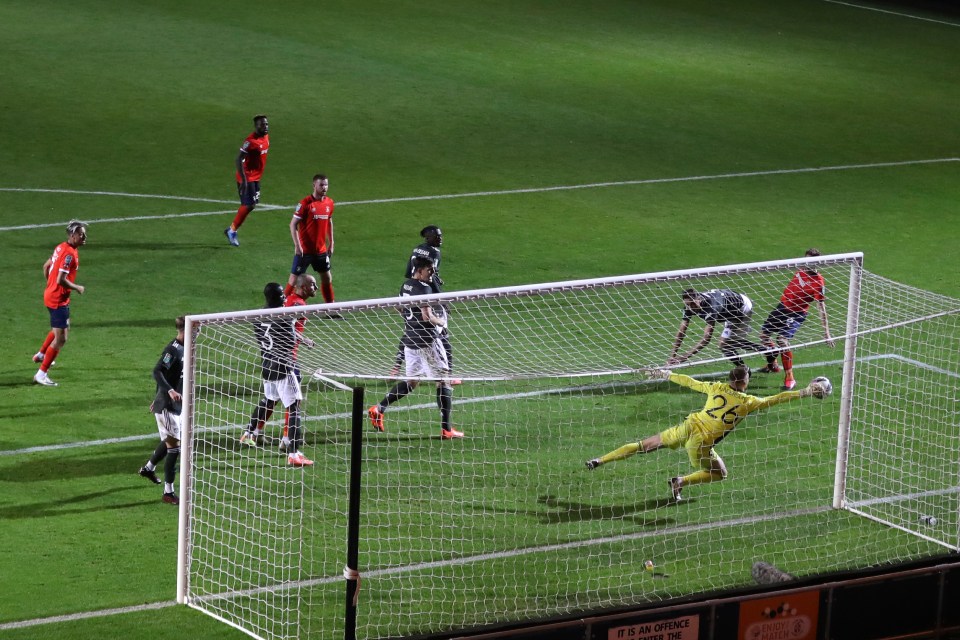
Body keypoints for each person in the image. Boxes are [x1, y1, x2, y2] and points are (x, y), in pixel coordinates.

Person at [585, 367, 823, 500]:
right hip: (700, 443)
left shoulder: (716, 387)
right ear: (745, 381)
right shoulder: (750, 402)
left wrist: (667, 374)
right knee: (720, 473)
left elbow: (690, 382)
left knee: (643, 445)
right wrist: (805, 392)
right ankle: (681, 481)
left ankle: (599, 459)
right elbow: (776, 399)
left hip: (688, 425)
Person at [369, 257, 463, 439]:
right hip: (428, 341)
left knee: (412, 382)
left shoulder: (406, 286)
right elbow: (427, 316)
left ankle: (378, 408)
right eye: (430, 270)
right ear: (419, 270)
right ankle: (447, 429)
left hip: (410, 342)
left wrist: (410, 322)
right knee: (444, 380)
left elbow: (398, 307)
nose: (432, 274)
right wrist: (441, 321)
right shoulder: (424, 288)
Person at [239, 283, 313, 466]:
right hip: (283, 367)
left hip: (266, 365)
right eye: (281, 295)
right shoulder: (284, 317)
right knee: (294, 405)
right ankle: (294, 453)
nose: (284, 298)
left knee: (268, 400)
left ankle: (249, 433)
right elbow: (289, 343)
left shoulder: (257, 317)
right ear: (275, 297)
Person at [757, 249, 836, 390]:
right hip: (781, 307)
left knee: (782, 340)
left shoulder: (818, 282)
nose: (805, 263)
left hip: (797, 314)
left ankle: (790, 378)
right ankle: (773, 364)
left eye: (809, 261)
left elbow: (821, 308)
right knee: (763, 337)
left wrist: (827, 333)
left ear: (816, 262)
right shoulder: (800, 269)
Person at [390, 226, 459, 383]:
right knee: (443, 334)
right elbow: (431, 275)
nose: (440, 239)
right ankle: (449, 375)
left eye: (441, 236)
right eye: (437, 236)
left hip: (412, 288)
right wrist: (440, 298)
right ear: (428, 237)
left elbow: (410, 272)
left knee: (410, 330)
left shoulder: (417, 249)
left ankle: (395, 367)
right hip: (428, 296)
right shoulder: (434, 253)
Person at [33, 220, 88, 386]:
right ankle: (41, 374)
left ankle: (41, 354)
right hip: (58, 299)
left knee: (61, 328)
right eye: (81, 234)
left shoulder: (60, 247)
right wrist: (77, 287)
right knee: (61, 338)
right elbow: (61, 279)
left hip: (52, 295)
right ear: (72, 235)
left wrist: (50, 285)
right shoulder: (70, 254)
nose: (84, 236)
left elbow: (46, 265)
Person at [138, 316, 185, 505]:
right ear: (185, 330)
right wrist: (169, 392)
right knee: (175, 448)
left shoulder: (185, 348)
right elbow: (157, 371)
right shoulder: (172, 350)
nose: (198, 334)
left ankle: (149, 468)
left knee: (169, 443)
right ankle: (168, 492)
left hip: (174, 405)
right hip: (167, 406)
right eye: (195, 330)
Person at [668, 288, 767, 368]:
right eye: (687, 304)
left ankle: (761, 355)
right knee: (728, 344)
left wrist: (684, 357)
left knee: (724, 345)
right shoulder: (689, 307)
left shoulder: (711, 307)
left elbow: (706, 339)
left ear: (699, 299)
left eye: (693, 304)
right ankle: (766, 351)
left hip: (741, 308)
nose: (690, 307)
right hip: (728, 309)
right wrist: (672, 356)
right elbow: (681, 332)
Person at [278, 274, 317, 452]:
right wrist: (306, 340)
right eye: (312, 285)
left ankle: (252, 432)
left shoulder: (290, 299)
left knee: (272, 398)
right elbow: (289, 327)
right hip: (288, 357)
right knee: (294, 401)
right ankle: (288, 441)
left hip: (275, 355)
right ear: (302, 287)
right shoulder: (298, 305)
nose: (315, 288)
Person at [285, 174, 336, 305]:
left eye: (326, 184)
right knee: (293, 280)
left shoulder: (329, 203)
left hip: (321, 250)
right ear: (314, 185)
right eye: (321, 185)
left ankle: (330, 308)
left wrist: (331, 242)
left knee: (326, 277)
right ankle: (280, 308)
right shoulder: (304, 203)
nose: (324, 187)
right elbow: (293, 224)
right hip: (304, 250)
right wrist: (297, 245)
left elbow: (329, 221)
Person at [224, 115, 270, 247]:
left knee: (252, 204)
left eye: (266, 124)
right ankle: (232, 231)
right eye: (262, 125)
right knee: (249, 205)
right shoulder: (250, 142)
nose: (265, 127)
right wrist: (243, 180)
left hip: (256, 177)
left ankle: (231, 229)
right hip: (247, 177)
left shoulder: (266, 137)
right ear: (256, 126)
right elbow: (238, 159)